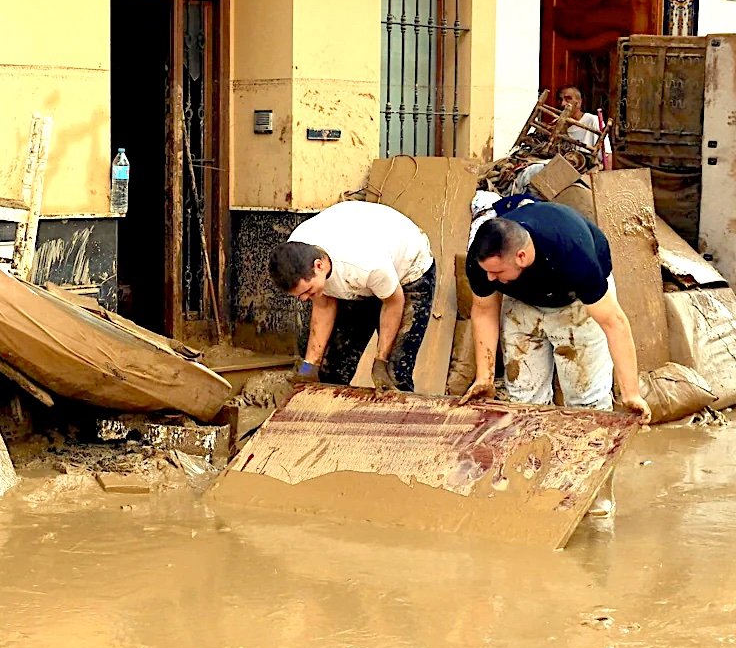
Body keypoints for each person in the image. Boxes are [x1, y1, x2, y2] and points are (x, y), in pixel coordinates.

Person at [458, 202, 651, 517]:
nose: (489, 278)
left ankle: (594, 492)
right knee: (524, 400)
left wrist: (631, 393)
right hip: (523, 304)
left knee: (586, 402)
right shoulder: (484, 261)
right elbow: (483, 311)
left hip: (577, 303)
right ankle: (533, 484)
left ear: (521, 256)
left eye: (497, 272)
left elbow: (614, 322)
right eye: (487, 272)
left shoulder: (574, 254)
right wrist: (485, 376)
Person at [268, 201, 436, 392]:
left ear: (319, 265)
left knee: (394, 375)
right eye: (300, 295)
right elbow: (323, 306)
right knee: (331, 372)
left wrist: (381, 362)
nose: (305, 298)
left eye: (307, 291)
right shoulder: (297, 252)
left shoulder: (367, 265)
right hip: (360, 277)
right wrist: (308, 368)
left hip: (408, 272)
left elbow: (393, 303)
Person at [557, 85, 611, 157]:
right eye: (560, 99)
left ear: (579, 102)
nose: (562, 104)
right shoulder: (557, 124)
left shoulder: (592, 121)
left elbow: (607, 154)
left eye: (568, 99)